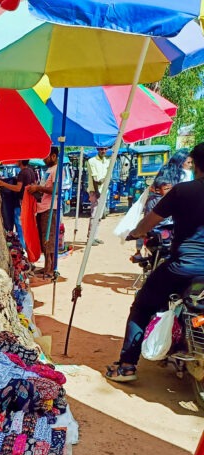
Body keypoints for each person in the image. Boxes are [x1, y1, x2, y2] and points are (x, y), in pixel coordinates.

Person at [106, 142, 204, 383]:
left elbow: (148, 222)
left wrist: (136, 233)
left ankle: (127, 366)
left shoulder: (183, 191)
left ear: (196, 164)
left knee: (142, 306)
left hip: (184, 266)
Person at [27, 147, 59, 278]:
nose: (44, 160)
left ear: (53, 156)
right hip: (43, 208)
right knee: (44, 239)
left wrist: (38, 187)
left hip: (50, 208)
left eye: (46, 156)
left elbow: (55, 189)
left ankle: (50, 268)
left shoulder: (57, 169)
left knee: (49, 239)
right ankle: (47, 266)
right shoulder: (49, 170)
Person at [0, 160, 38, 241]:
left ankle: (23, 247)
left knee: (20, 227)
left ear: (20, 161)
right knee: (27, 227)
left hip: (21, 204)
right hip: (30, 204)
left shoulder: (22, 173)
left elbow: (18, 188)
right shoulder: (31, 171)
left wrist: (3, 184)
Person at [87, 147, 110, 244]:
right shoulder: (91, 161)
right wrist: (97, 191)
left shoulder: (107, 161)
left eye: (105, 149)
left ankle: (94, 236)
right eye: (101, 149)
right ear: (98, 149)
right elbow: (95, 179)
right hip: (95, 191)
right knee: (94, 215)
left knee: (99, 215)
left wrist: (103, 181)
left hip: (104, 190)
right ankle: (90, 238)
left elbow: (107, 177)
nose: (103, 151)